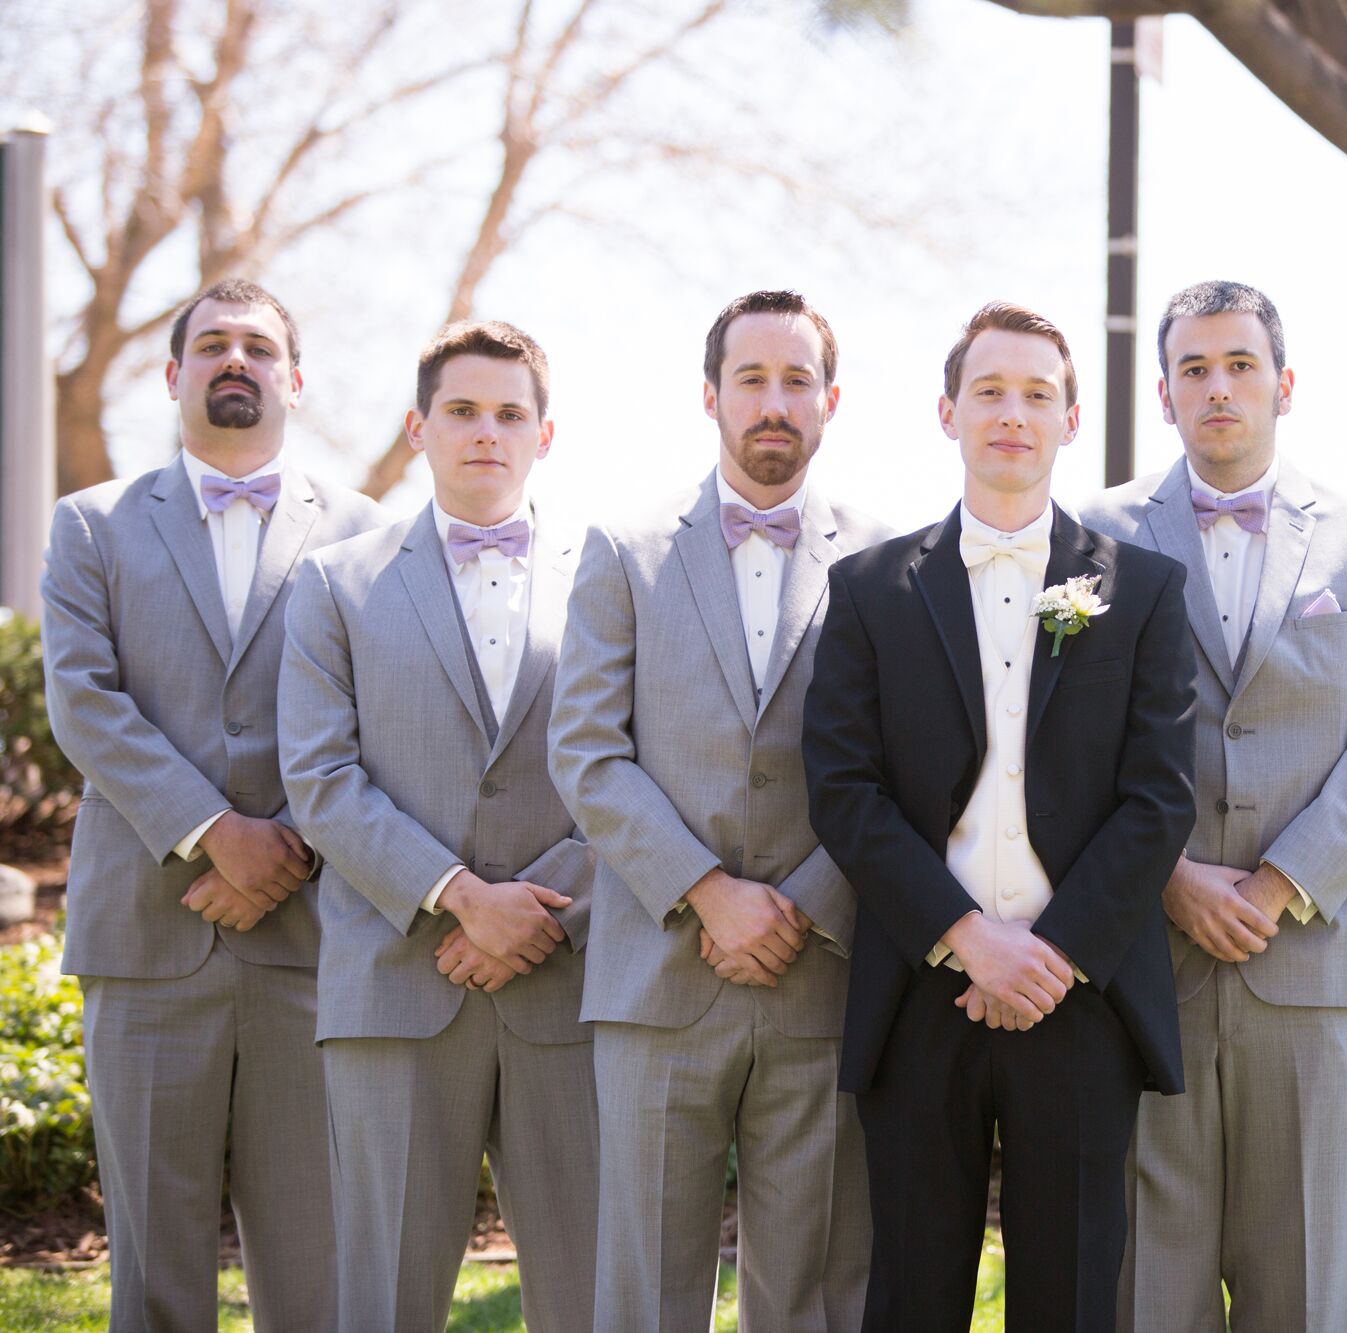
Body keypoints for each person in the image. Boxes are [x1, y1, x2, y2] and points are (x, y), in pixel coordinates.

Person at [802, 302, 1197, 1332]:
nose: (1011, 414)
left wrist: (1049, 954)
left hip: (1079, 996)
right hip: (920, 986)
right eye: (989, 391)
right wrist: (968, 938)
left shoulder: (1144, 590)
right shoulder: (869, 589)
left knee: (1070, 1296)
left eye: (1036, 394)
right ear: (947, 412)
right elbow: (844, 791)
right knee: (911, 1294)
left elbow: (1158, 796)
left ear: (1070, 419)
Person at [1079, 279, 1347, 1332]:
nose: (1216, 386)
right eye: (1193, 368)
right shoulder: (1094, 532)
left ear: (1283, 385)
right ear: (1162, 393)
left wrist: (1280, 885)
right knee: (1152, 1280)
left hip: (1315, 962)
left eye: (1238, 365)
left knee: (1309, 1284)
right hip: (1147, 957)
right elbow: (1070, 739)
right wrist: (1171, 878)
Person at [40, 278, 382, 1331]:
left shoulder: (370, 532)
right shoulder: (90, 525)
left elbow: (384, 728)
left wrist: (288, 853)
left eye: (258, 346)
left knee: (313, 1257)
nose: (237, 359)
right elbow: (82, 702)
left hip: (311, 937)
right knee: (153, 1261)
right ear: (174, 370)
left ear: (294, 376)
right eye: (214, 344)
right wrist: (210, 836)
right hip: (145, 935)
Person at [548, 289, 888, 1332]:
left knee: (812, 1292)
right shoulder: (623, 548)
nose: (773, 403)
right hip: (658, 975)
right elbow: (587, 753)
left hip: (821, 973)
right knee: (645, 1291)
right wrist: (705, 894)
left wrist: (798, 904)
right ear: (710, 396)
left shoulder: (888, 558)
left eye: (796, 381)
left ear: (831, 401)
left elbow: (907, 763)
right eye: (752, 379)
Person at [279, 321, 596, 1331]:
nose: (485, 432)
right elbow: (321, 779)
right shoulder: (336, 582)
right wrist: (462, 898)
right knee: (380, 1300)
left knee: (591, 1294)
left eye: (510, 413)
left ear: (545, 434)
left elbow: (637, 765)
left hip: (572, 981)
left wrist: (541, 907)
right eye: (461, 410)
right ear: (419, 427)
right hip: (395, 982)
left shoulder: (609, 573)